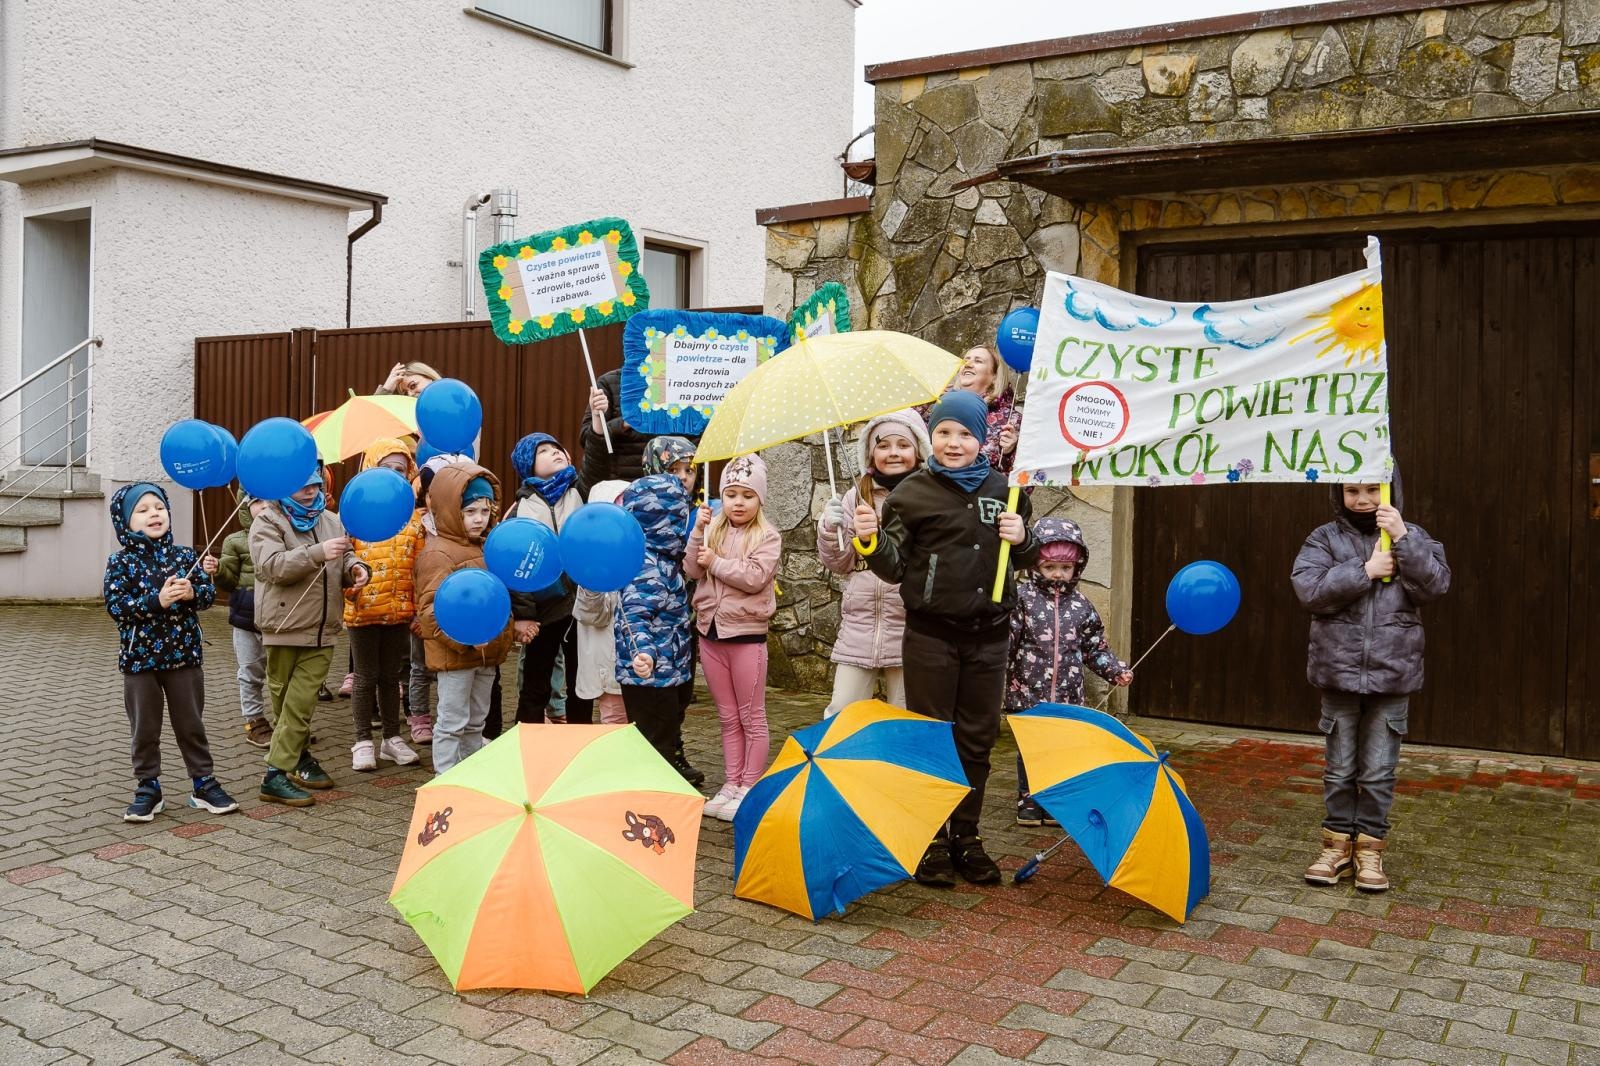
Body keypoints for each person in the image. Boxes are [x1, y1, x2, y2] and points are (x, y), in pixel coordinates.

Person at [856, 391, 1039, 886]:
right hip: (931, 636)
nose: (953, 442)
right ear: (930, 437)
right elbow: (894, 568)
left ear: (982, 438)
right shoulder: (911, 494)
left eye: (964, 433)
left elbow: (1026, 557)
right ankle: (931, 839)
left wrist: (1023, 538)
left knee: (976, 740)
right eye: (943, 433)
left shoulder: (1009, 490)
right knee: (932, 736)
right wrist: (871, 540)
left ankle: (967, 836)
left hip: (989, 637)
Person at [1292, 470, 1449, 893]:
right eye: (1351, 490)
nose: (1362, 499)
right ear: (1338, 493)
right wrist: (1364, 571)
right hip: (1338, 672)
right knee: (1340, 769)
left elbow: (1434, 585)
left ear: (1391, 490)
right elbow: (1309, 590)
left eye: (1371, 490)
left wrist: (1402, 538)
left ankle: (1370, 849)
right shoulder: (1323, 539)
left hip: (1392, 673)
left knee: (1378, 771)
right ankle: (1336, 846)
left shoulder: (1411, 534)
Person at [103, 483, 237, 821]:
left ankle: (203, 783)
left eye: (159, 507)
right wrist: (157, 601)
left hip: (184, 658)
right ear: (125, 521)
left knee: (191, 723)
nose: (154, 514)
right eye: (143, 510)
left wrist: (193, 592)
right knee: (144, 728)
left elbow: (207, 597)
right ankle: (148, 787)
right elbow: (117, 607)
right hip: (139, 662)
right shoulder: (119, 562)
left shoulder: (184, 556)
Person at [251, 468, 370, 807]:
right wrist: (318, 552)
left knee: (300, 703)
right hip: (284, 625)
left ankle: (274, 775)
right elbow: (270, 566)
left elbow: (344, 556)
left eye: (315, 483)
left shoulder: (331, 519)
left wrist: (357, 569)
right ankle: (299, 759)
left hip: (324, 628)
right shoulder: (269, 520)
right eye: (301, 484)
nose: (309, 490)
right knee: (285, 702)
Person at [1004, 518, 1133, 825]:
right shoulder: (1022, 599)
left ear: (1077, 567)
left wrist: (1115, 670)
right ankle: (1029, 798)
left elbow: (1094, 648)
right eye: (1050, 567)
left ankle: (1053, 799)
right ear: (1036, 565)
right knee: (1032, 749)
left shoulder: (1082, 607)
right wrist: (997, 676)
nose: (1058, 574)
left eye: (1065, 568)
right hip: (1027, 692)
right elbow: (1007, 642)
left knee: (1062, 749)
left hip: (1068, 694)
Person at [506, 388, 611, 725]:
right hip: (543, 611)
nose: (555, 453)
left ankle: (579, 742)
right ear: (527, 465)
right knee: (535, 684)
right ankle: (529, 741)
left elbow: (595, 460)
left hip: (581, 604)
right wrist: (522, 616)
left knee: (582, 683)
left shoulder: (580, 489)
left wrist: (597, 421)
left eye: (557, 448)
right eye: (543, 451)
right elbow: (514, 569)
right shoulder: (520, 509)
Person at [816, 411, 929, 716]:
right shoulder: (857, 496)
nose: (893, 452)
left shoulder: (929, 496)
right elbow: (840, 563)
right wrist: (830, 529)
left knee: (906, 715)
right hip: (860, 628)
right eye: (883, 445)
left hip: (910, 628)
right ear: (870, 451)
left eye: (903, 445)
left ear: (918, 451)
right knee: (842, 711)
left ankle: (901, 765)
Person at [685, 455, 779, 821]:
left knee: (750, 716)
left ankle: (750, 786)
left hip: (746, 637)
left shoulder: (768, 536)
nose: (738, 502)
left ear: (760, 500)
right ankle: (731, 783)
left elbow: (756, 577)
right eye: (731, 494)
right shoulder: (713, 529)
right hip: (711, 633)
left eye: (747, 495)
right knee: (727, 716)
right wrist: (697, 532)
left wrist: (717, 563)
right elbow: (692, 568)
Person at [414, 463, 517, 775]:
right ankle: (445, 778)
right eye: (470, 511)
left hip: (487, 654)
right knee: (452, 721)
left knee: (476, 720)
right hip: (455, 655)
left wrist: (504, 633)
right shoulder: (437, 554)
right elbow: (429, 611)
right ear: (449, 510)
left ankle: (472, 776)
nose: (479, 519)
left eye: (484, 512)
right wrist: (463, 638)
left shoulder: (487, 547)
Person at [615, 436, 698, 781]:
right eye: (672, 520)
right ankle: (654, 789)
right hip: (648, 673)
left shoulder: (666, 559)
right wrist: (644, 654)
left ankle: (665, 770)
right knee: (653, 737)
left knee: (667, 727)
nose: (678, 528)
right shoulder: (644, 565)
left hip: (670, 667)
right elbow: (632, 617)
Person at [343, 439, 423, 772]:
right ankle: (362, 740)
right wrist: (351, 587)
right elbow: (342, 563)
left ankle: (392, 738)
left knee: (392, 678)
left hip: (399, 611)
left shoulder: (415, 521)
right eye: (385, 468)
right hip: (363, 611)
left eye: (400, 470)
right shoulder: (354, 515)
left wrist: (417, 608)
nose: (393, 475)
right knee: (364, 677)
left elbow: (420, 567)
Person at [572, 480, 633, 727]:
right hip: (608, 665)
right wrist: (592, 584)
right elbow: (591, 614)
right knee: (614, 723)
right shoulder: (592, 563)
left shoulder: (639, 554)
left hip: (640, 663)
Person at [215, 491, 274, 748]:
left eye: (270, 499)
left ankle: (288, 724)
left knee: (283, 674)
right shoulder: (235, 541)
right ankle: (254, 721)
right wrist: (218, 570)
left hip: (278, 617)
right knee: (250, 672)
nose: (264, 506)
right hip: (246, 618)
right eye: (257, 501)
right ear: (244, 506)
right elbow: (228, 581)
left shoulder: (286, 534)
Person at [578, 367, 700, 483]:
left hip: (669, 487)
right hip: (621, 487)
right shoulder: (609, 383)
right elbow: (587, 439)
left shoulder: (679, 384)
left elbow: (696, 450)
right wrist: (624, 423)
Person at [920, 346, 1021, 473]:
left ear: (994, 376)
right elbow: (909, 430)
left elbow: (1021, 482)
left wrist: (1009, 452)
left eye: (978, 361)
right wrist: (928, 396)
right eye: (966, 360)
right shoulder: (943, 407)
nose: (968, 364)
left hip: (979, 490)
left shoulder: (1011, 419)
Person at [378, 361, 443, 398]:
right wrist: (385, 390)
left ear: (429, 378)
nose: (410, 395)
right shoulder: (409, 416)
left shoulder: (451, 399)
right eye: (405, 393)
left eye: (413, 386)